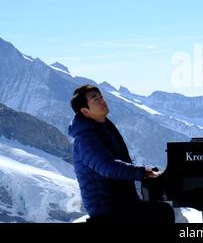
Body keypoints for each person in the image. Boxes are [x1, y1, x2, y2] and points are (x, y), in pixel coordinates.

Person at [68, 84, 175, 223]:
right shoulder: (85, 138)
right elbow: (108, 167)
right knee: (162, 212)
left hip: (122, 202)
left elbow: (122, 161)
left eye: (101, 97)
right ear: (85, 111)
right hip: (106, 209)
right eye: (96, 100)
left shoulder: (104, 127)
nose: (102, 101)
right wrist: (143, 172)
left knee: (161, 209)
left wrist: (149, 170)